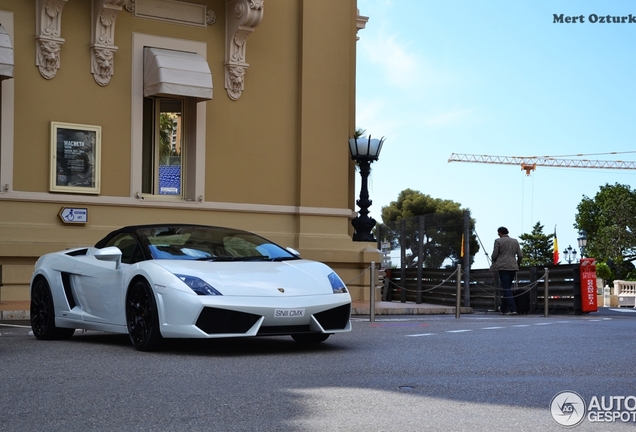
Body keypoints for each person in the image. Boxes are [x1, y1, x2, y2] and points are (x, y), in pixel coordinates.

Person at [490, 226, 523, 315]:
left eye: (498, 232)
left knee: (506, 288)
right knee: (507, 287)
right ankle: (503, 308)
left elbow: (494, 255)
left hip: (503, 266)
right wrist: (517, 264)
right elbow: (520, 255)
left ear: (500, 232)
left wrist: (493, 260)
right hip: (513, 266)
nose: (498, 234)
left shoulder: (498, 241)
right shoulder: (515, 241)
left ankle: (513, 309)